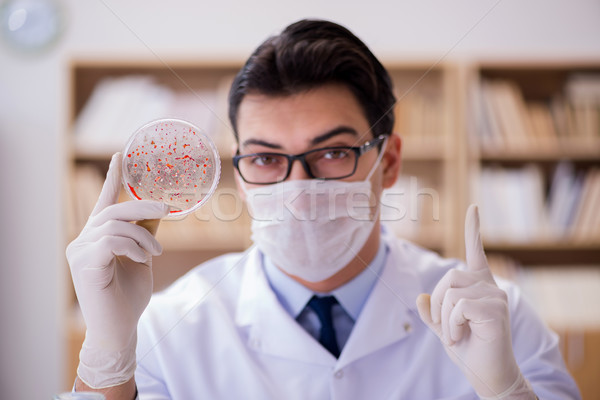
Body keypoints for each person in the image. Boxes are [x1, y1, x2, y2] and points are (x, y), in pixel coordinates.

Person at [67, 19, 581, 400]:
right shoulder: (167, 327)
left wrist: (507, 390)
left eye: (333, 152)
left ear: (389, 162)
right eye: (266, 158)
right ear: (241, 179)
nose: (298, 186)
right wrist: (108, 351)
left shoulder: (497, 320)